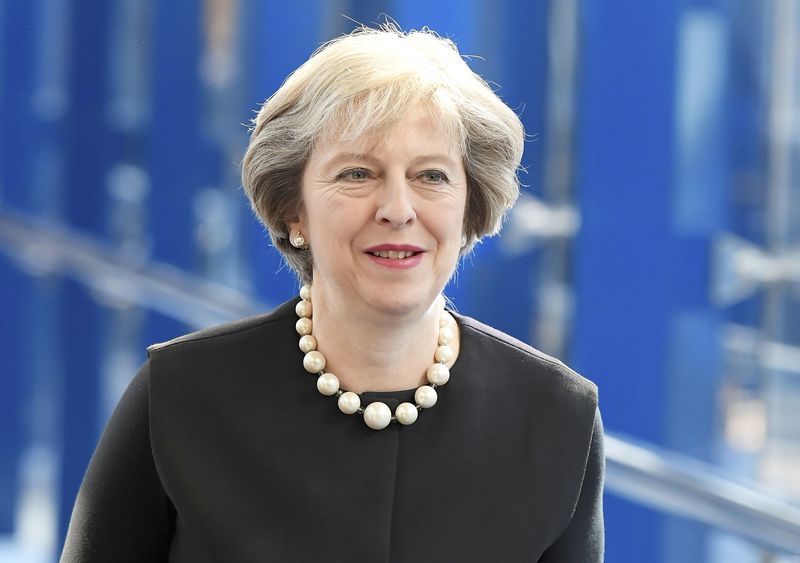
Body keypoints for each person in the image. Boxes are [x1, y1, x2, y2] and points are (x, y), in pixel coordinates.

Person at [61, 25, 603, 562]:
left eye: (431, 176)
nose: (397, 208)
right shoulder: (179, 395)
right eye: (357, 173)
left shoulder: (557, 417)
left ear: (471, 209)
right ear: (293, 210)